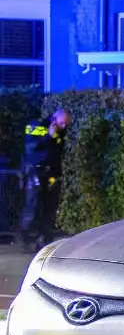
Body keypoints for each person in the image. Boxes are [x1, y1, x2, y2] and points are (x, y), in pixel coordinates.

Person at [20, 107, 70, 252]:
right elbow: (31, 146)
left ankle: (45, 239)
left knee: (50, 207)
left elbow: (58, 150)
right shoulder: (35, 126)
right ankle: (27, 238)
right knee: (33, 207)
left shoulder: (61, 131)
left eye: (66, 124)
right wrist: (48, 135)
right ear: (54, 119)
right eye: (62, 123)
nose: (64, 127)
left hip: (52, 174)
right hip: (36, 172)